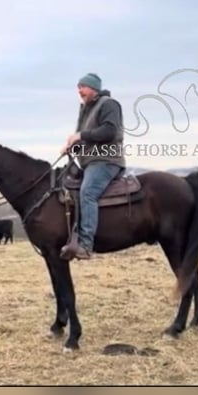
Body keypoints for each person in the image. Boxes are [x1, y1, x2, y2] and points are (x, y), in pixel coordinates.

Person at [59, 73, 125, 260]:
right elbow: (85, 137)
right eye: (78, 87)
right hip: (88, 162)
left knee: (87, 192)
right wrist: (72, 146)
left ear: (94, 87)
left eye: (83, 87)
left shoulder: (109, 104)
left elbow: (110, 131)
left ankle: (86, 244)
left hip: (106, 161)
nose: (79, 91)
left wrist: (80, 136)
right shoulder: (86, 109)